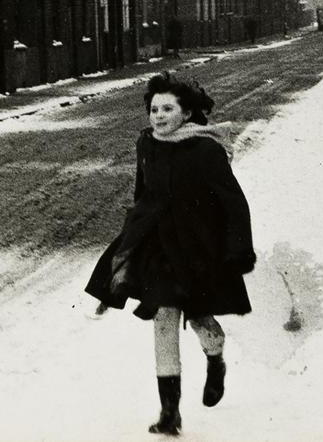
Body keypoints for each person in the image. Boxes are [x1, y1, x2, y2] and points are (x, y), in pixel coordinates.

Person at [86, 71, 255, 436]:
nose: (159, 115)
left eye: (167, 109)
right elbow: (141, 196)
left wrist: (239, 249)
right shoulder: (147, 145)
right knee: (163, 319)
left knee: (200, 320)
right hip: (160, 246)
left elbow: (232, 202)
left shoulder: (206, 149)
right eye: (154, 109)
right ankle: (170, 413)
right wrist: (129, 243)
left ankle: (215, 360)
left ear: (187, 113)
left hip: (197, 249)